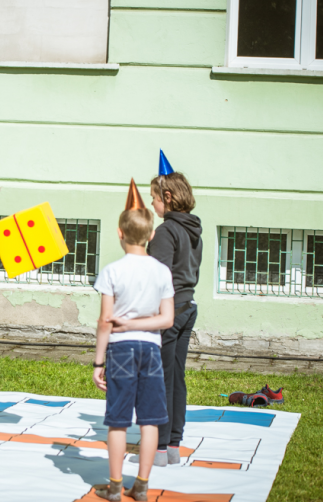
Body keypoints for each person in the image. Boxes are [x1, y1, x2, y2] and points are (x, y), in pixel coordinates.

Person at [91, 180, 175, 501]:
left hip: (121, 350)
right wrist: (138, 323)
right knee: (151, 419)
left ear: (119, 233)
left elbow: (104, 321)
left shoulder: (112, 271)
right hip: (152, 349)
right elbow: (167, 319)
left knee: (117, 420)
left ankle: (114, 486)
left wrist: (99, 362)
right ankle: (141, 485)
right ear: (152, 235)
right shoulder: (161, 272)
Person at [132, 150, 203, 466]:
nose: (151, 205)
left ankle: (157, 450)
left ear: (168, 197)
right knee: (175, 377)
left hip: (168, 312)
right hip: (188, 307)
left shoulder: (164, 231)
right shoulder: (193, 229)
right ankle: (172, 445)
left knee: (158, 379)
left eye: (154, 199)